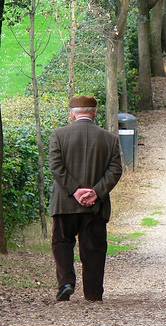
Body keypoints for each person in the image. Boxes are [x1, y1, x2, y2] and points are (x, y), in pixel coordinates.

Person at [49, 96, 122, 302]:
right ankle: (93, 292)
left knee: (62, 242)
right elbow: (115, 170)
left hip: (65, 203)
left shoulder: (58, 135)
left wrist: (75, 191)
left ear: (73, 114)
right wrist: (95, 192)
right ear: (94, 113)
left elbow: (56, 167)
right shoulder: (110, 139)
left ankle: (65, 283)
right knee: (94, 248)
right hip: (95, 206)